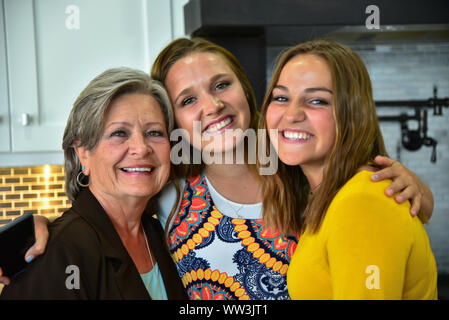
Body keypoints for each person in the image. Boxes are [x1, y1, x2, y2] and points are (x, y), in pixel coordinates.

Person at [0, 38, 435, 300]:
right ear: (176, 126)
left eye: (221, 85)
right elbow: (107, 204)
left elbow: (371, 224)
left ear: (247, 92)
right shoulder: (170, 195)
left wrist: (414, 192)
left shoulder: (298, 171)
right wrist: (37, 231)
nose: (212, 106)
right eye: (188, 100)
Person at [259, 39, 437, 299]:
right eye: (281, 97)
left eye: (317, 101)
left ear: (351, 113)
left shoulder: (362, 202)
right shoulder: (329, 196)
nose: (292, 114)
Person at [0, 68, 186, 299]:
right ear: (83, 154)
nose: (141, 148)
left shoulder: (162, 235)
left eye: (154, 133)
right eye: (119, 133)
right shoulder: (57, 253)